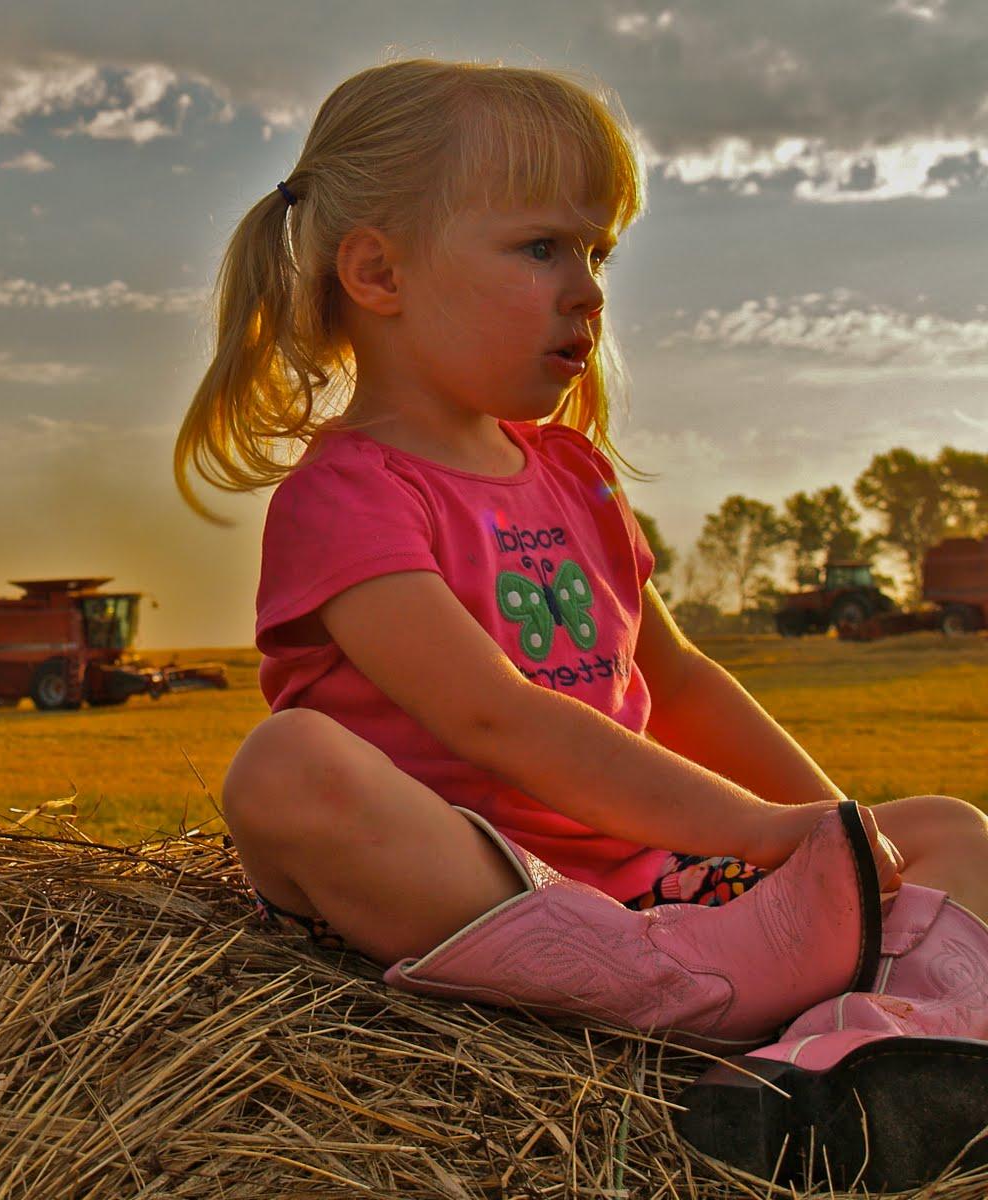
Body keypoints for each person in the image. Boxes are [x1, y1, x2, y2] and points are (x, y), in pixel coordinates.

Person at [174, 59, 988, 1189]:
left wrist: (832, 835)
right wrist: (758, 836)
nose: (590, 290)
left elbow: (682, 681)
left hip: (661, 898)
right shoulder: (348, 495)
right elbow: (493, 719)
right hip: (486, 888)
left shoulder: (573, 476)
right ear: (377, 271)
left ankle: (841, 1065)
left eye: (598, 253)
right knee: (285, 771)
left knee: (947, 829)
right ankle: (712, 1005)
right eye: (542, 247)